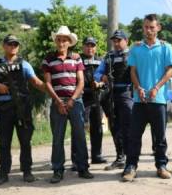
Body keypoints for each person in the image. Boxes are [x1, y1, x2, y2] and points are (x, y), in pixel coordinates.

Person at [0, 34, 46, 186]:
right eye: (10, 44)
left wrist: (51, 89)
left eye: (15, 44)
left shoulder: (24, 64)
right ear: (4, 46)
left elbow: (36, 82)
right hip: (4, 110)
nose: (13, 46)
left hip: (22, 109)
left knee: (25, 141)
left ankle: (27, 171)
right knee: (4, 142)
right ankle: (3, 173)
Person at [122, 14, 172, 182]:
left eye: (152, 27)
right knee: (134, 136)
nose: (149, 30)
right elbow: (132, 71)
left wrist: (156, 88)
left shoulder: (166, 47)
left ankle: (161, 166)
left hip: (158, 100)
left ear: (158, 28)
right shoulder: (136, 48)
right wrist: (138, 88)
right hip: (139, 100)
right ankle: (131, 167)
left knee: (160, 136)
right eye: (146, 27)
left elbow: (169, 71)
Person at [42, 26, 93, 183]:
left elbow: (81, 81)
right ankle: (58, 170)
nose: (61, 42)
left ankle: (83, 168)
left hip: (75, 101)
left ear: (69, 42)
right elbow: (47, 83)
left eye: (64, 40)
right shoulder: (48, 59)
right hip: (57, 102)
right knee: (58, 138)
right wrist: (58, 101)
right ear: (56, 41)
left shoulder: (76, 58)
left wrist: (72, 100)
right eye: (59, 39)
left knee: (80, 136)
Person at [94, 30, 133, 171]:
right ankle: (120, 157)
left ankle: (130, 160)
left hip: (127, 93)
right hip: (111, 94)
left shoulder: (133, 54)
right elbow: (97, 73)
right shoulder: (108, 57)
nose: (116, 43)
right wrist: (102, 77)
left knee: (128, 126)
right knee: (114, 126)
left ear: (126, 41)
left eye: (119, 40)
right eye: (114, 41)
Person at [73, 36, 107, 164]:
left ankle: (96, 156)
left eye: (92, 45)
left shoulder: (101, 61)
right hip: (82, 98)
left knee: (97, 128)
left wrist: (101, 85)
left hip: (97, 98)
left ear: (95, 47)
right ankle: (77, 160)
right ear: (83, 47)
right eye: (87, 45)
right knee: (79, 129)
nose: (90, 48)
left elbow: (105, 79)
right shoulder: (77, 59)